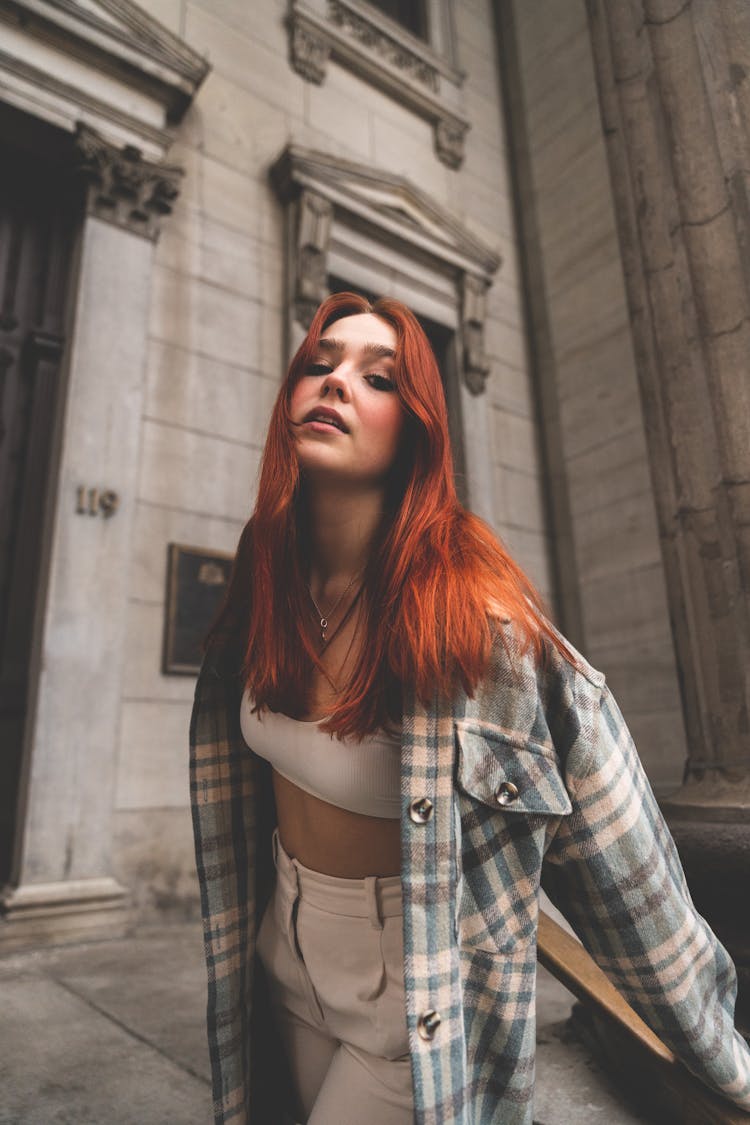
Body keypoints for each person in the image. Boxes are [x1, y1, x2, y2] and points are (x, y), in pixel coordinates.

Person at [190, 291, 750, 1125]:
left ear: (415, 428)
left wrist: (727, 1060)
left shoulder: (482, 626)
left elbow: (629, 872)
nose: (336, 382)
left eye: (375, 377)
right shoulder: (266, 582)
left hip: (410, 1001)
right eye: (320, 362)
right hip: (283, 954)